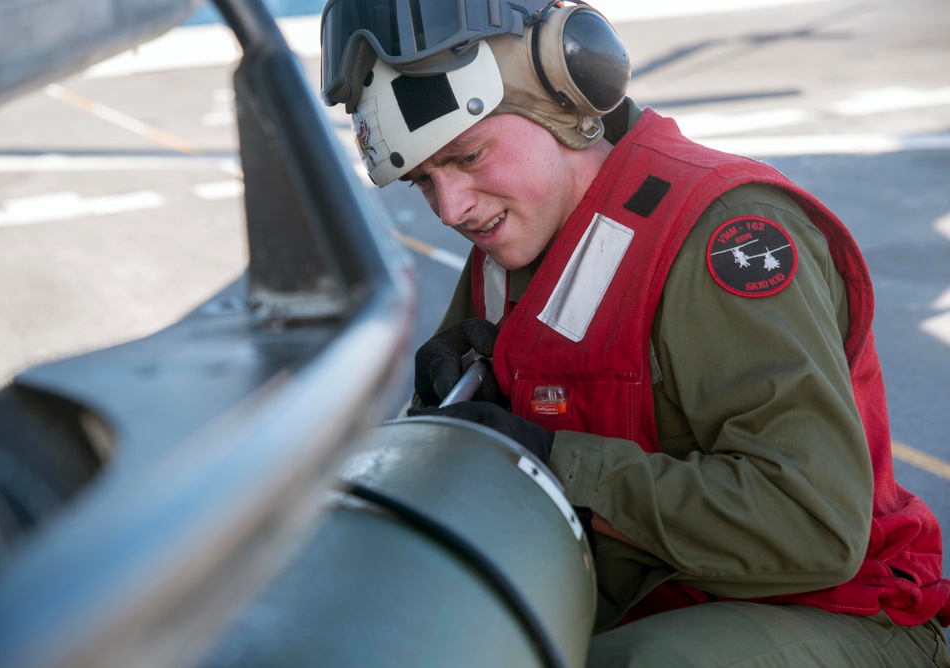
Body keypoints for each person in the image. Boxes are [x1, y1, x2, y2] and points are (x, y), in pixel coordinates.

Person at [321, 1, 950, 665]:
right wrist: (441, 428)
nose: (451, 207)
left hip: (835, 610)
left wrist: (552, 461)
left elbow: (813, 528)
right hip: (660, 600)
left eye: (468, 155)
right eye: (423, 180)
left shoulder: (720, 235)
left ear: (564, 94)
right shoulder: (509, 247)